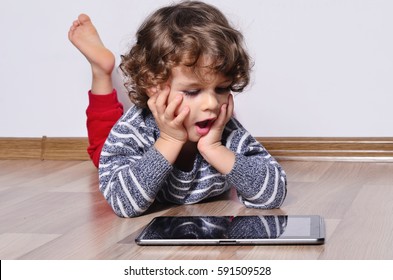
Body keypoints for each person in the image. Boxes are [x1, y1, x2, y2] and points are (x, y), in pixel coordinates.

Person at [68, 0, 287, 218]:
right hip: (137, 144)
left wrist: (215, 149)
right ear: (154, 87)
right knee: (101, 150)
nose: (212, 103)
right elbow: (123, 203)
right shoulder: (135, 130)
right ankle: (101, 72)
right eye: (193, 92)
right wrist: (169, 141)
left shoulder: (226, 131)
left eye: (222, 88)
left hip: (196, 131)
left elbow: (274, 194)